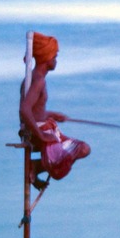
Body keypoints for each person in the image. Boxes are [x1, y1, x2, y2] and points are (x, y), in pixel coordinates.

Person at [19, 32, 90, 186]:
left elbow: (34, 111)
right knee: (82, 149)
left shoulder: (35, 78)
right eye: (55, 56)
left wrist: (50, 114)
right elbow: (24, 110)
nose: (56, 60)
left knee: (83, 149)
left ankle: (37, 166)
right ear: (47, 58)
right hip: (38, 132)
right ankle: (38, 166)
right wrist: (42, 136)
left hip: (42, 127)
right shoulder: (38, 81)